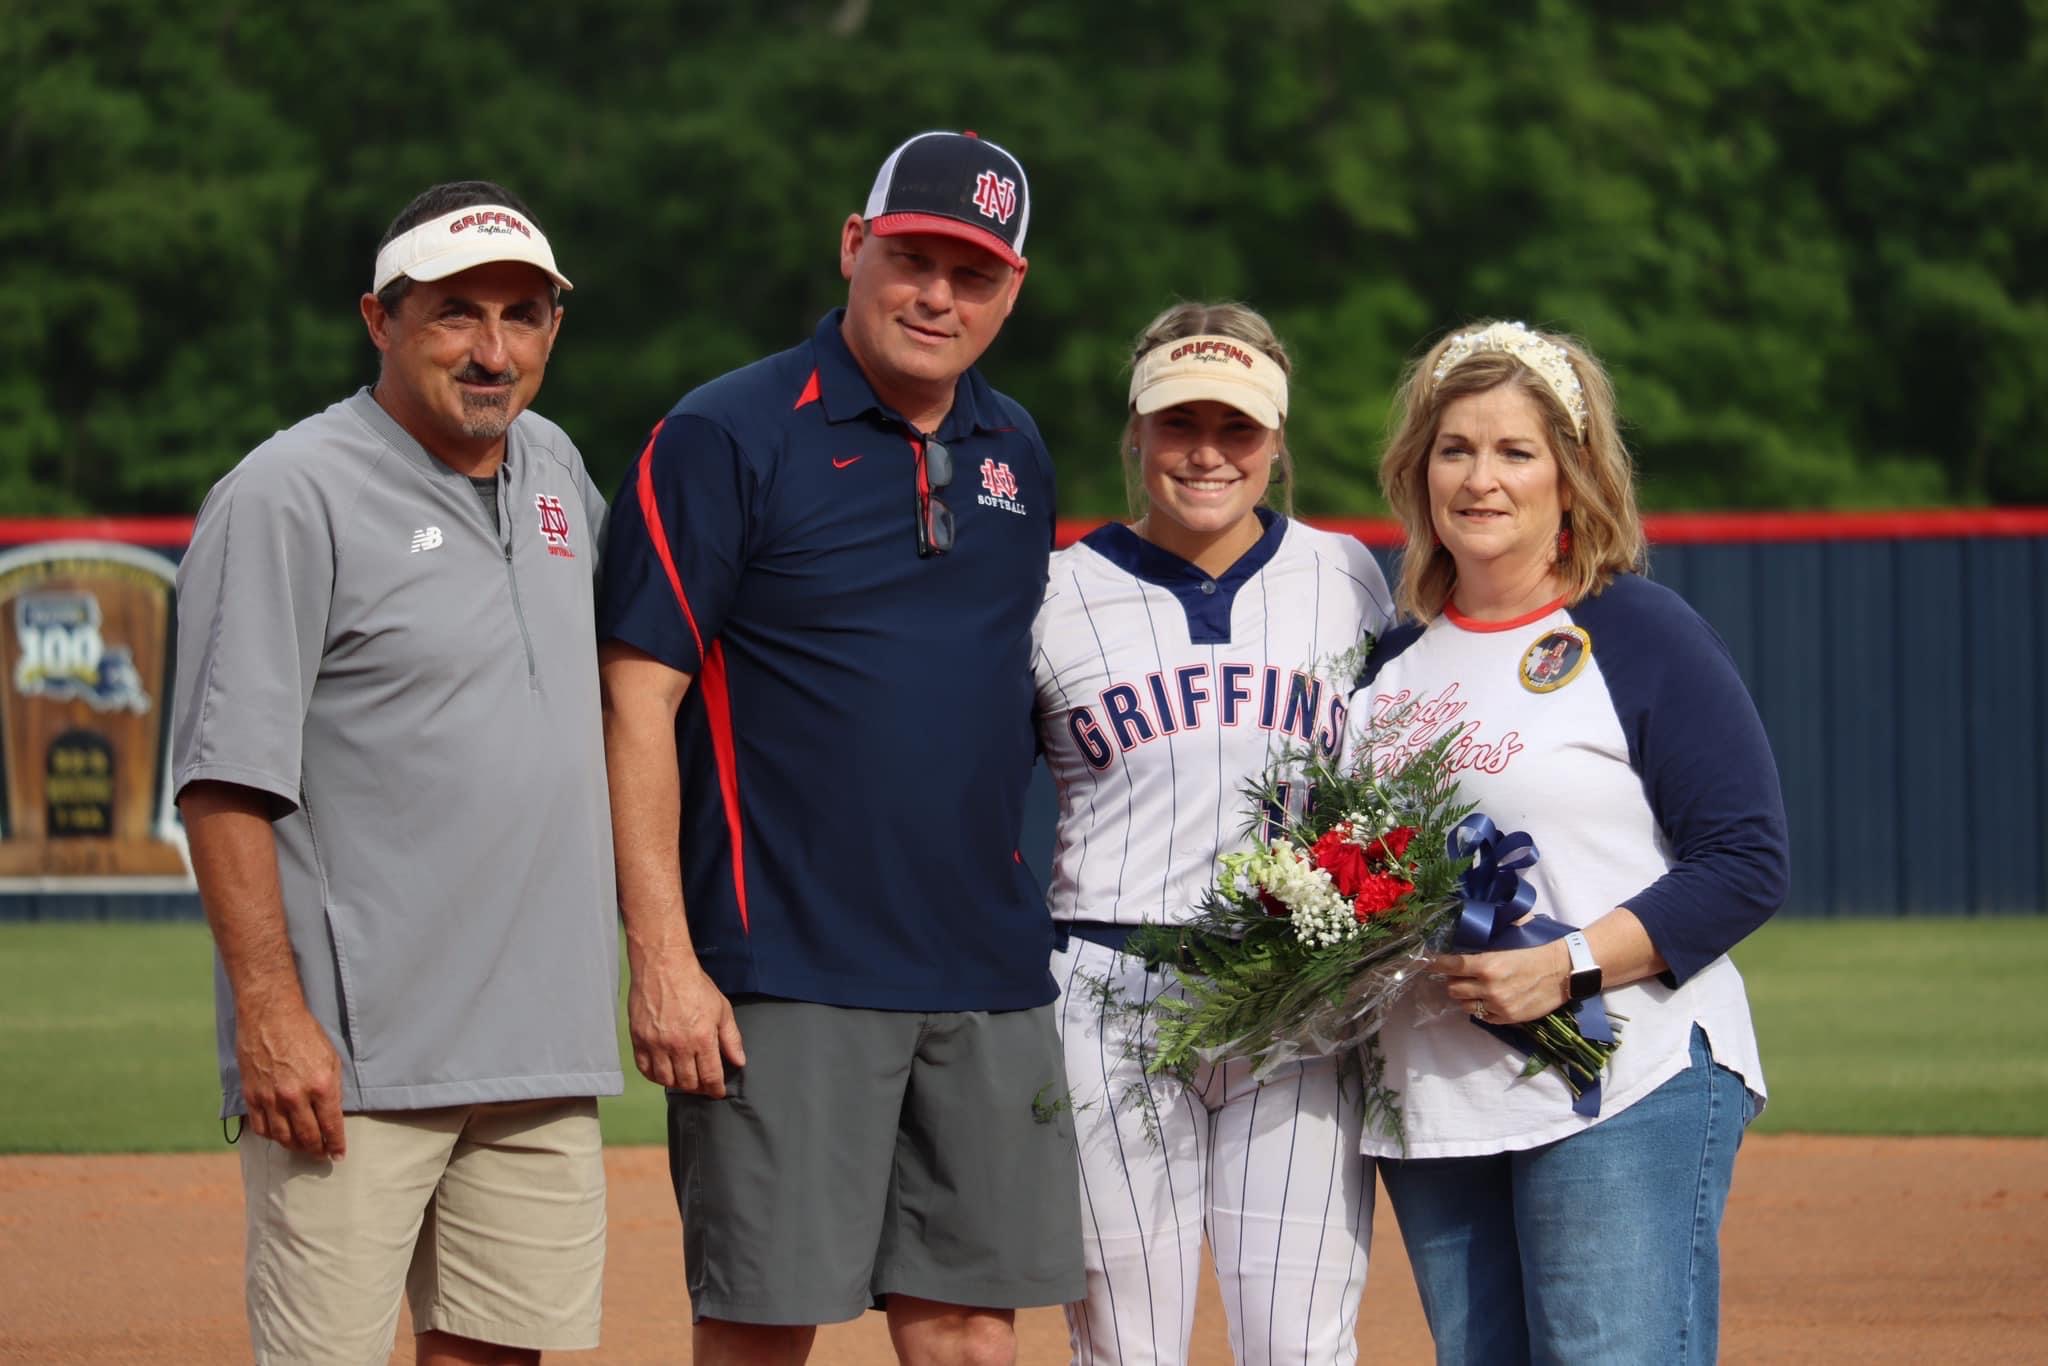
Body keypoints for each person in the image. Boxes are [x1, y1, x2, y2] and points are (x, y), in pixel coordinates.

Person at [595, 130, 1082, 1365]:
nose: (937, 296)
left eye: (972, 275)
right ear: (853, 246)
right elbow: (633, 701)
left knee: (972, 1330)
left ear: (1010, 289)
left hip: (982, 966)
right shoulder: (727, 433)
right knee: (763, 1322)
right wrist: (663, 957)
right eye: (913, 258)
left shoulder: (1015, 450)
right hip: (787, 968)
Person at [171, 181, 620, 1365]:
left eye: (523, 315)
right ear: (379, 318)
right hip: (354, 1060)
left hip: (539, 1040)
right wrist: (271, 1017)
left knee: (501, 1351)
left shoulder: (558, 468)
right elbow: (223, 781)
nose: (492, 349)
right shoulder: (286, 492)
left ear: (554, 329)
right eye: (455, 314)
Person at [1353, 320, 1790, 1364]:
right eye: (1453, 448)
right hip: (1439, 1099)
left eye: (1515, 451)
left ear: (1571, 473)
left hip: (1622, 1077)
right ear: (1418, 473)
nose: (1480, 478)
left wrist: (1565, 965)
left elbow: (1745, 860)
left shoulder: (1636, 630)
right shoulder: (1391, 660)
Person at [1031, 302, 1394, 1364]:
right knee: (1123, 1343)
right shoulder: (1053, 591)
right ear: (1133, 434)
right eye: (1176, 422)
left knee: (1298, 1342)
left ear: (1276, 442)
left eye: (1236, 428)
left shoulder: (1345, 579)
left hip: (1298, 1000)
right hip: (1108, 988)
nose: (1205, 452)